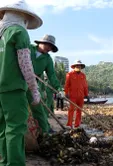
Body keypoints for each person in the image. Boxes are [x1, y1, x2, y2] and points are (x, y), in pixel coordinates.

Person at [0, 1, 42, 165]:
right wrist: (34, 89)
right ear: (23, 17)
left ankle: (4, 162)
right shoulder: (19, 32)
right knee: (16, 128)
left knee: (3, 128)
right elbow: (25, 64)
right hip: (13, 89)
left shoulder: (1, 33)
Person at [28, 34, 62, 134]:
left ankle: (45, 130)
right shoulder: (28, 48)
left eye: (51, 47)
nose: (49, 48)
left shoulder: (47, 59)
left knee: (38, 108)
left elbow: (52, 75)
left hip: (32, 86)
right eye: (48, 45)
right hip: (18, 82)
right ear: (41, 42)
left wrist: (59, 89)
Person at [64, 60, 88, 129]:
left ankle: (77, 124)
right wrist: (66, 93)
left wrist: (87, 95)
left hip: (81, 96)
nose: (78, 67)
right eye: (77, 65)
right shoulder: (69, 74)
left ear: (81, 67)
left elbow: (85, 86)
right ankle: (69, 124)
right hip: (72, 96)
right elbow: (66, 85)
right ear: (74, 66)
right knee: (71, 110)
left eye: (79, 66)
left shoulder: (83, 75)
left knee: (79, 110)